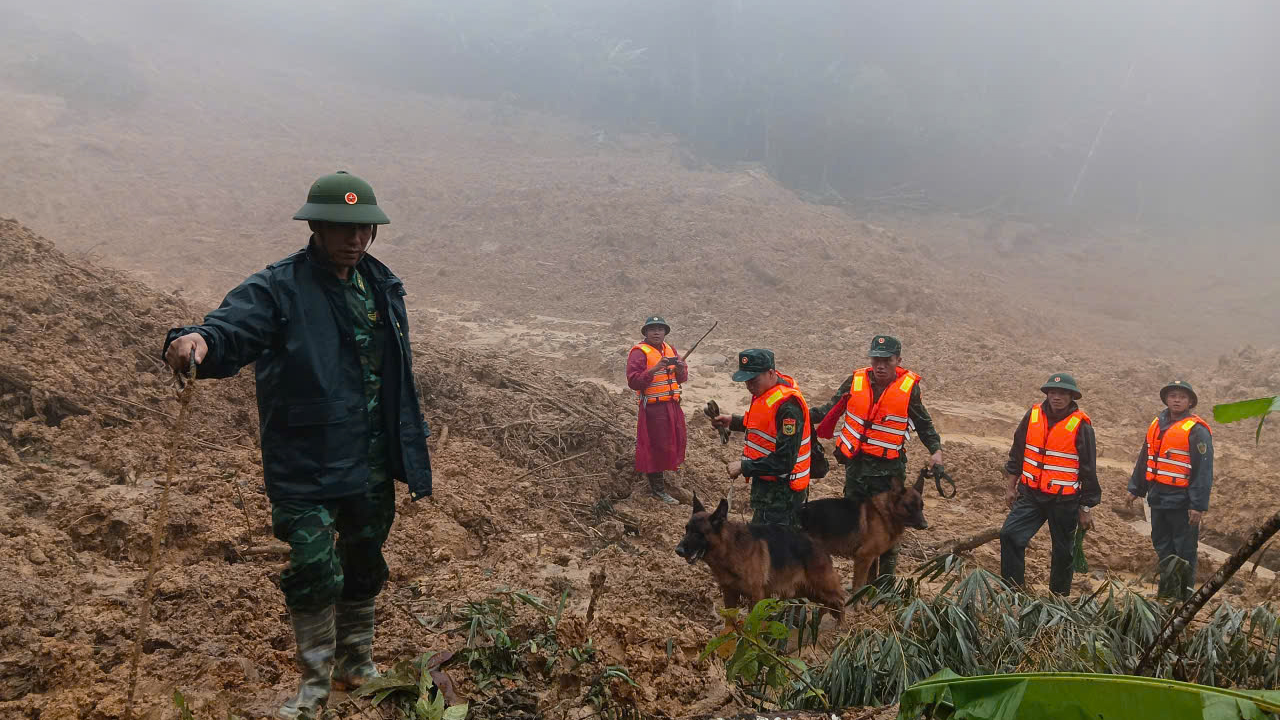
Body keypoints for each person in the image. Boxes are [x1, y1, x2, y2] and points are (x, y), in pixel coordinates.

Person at [161, 171, 432, 719]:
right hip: (306, 459)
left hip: (372, 457)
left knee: (364, 560)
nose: (355, 239)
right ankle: (313, 685)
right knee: (312, 565)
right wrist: (193, 342)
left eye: (364, 229)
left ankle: (355, 664)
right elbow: (230, 329)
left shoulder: (382, 284)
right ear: (315, 225)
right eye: (342, 227)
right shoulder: (279, 287)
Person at [811, 335, 942, 583]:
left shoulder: (908, 388)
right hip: (857, 470)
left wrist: (935, 450)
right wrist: (800, 416)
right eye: (876, 359)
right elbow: (827, 409)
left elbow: (924, 422)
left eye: (886, 360)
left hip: (889, 474)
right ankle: (863, 586)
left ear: (898, 360)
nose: (880, 365)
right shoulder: (855, 381)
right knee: (856, 531)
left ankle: (885, 586)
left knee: (891, 530)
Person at [999, 373, 1099, 595]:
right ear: (1047, 394)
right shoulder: (1033, 415)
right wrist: (1010, 487)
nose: (1056, 397)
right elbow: (1017, 453)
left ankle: (1058, 599)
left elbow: (1088, 469)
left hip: (1064, 500)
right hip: (1031, 494)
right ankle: (1012, 591)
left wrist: (1085, 507)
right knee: (1009, 534)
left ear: (1071, 396)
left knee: (1063, 552)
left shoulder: (1081, 425)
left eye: (1062, 393)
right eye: (1053, 392)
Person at [1126, 380, 1214, 599]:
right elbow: (1145, 458)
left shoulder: (1197, 430)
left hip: (1182, 502)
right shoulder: (1157, 424)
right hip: (1157, 498)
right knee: (1162, 546)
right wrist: (1135, 488)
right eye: (1173, 395)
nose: (1176, 399)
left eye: (1182, 397)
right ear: (1166, 399)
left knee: (1184, 552)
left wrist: (1197, 505)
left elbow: (1203, 470)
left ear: (1190, 402)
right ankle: (1166, 596)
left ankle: (1184, 600)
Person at [711, 349, 813, 526]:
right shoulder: (765, 393)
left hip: (783, 496)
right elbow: (764, 424)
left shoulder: (788, 407)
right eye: (746, 381)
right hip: (767, 489)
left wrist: (744, 466)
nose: (749, 386)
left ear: (771, 373)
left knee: (774, 547)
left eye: (754, 379)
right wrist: (733, 422)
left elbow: (784, 461)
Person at [625, 316, 688, 504]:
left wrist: (679, 367)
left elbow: (682, 378)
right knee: (655, 446)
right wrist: (654, 369)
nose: (656, 332)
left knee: (674, 440)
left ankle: (665, 476)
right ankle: (658, 490)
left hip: (672, 406)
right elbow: (633, 381)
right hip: (653, 409)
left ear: (665, 332)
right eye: (652, 329)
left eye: (660, 329)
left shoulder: (671, 350)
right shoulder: (638, 352)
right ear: (645, 332)